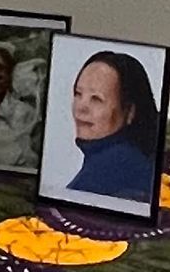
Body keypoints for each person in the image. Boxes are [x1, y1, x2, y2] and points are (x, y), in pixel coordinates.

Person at [66, 50, 159, 200]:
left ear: (130, 112)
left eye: (96, 99)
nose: (81, 107)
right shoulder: (121, 157)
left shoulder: (117, 163)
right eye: (78, 94)